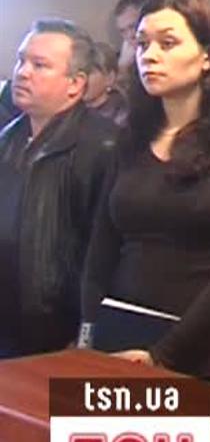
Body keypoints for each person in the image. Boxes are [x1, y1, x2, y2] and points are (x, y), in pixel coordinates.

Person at [79, 0, 210, 389]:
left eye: (167, 43)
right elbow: (100, 251)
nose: (149, 55)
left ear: (207, 56)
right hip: (122, 343)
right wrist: (90, 331)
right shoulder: (129, 139)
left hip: (205, 350)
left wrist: (163, 354)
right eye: (142, 44)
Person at [0, 19, 117, 358]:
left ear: (75, 84)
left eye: (40, 65)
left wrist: (86, 328)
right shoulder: (8, 138)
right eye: (21, 60)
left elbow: (104, 250)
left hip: (56, 328)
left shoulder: (103, 146)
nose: (22, 73)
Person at [112, 0, 151, 90]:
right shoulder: (117, 61)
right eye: (123, 31)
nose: (130, 35)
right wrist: (123, 67)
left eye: (132, 26)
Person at [84, 41, 128, 126]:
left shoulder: (121, 115)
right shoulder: (72, 114)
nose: (83, 79)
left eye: (90, 72)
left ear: (109, 78)